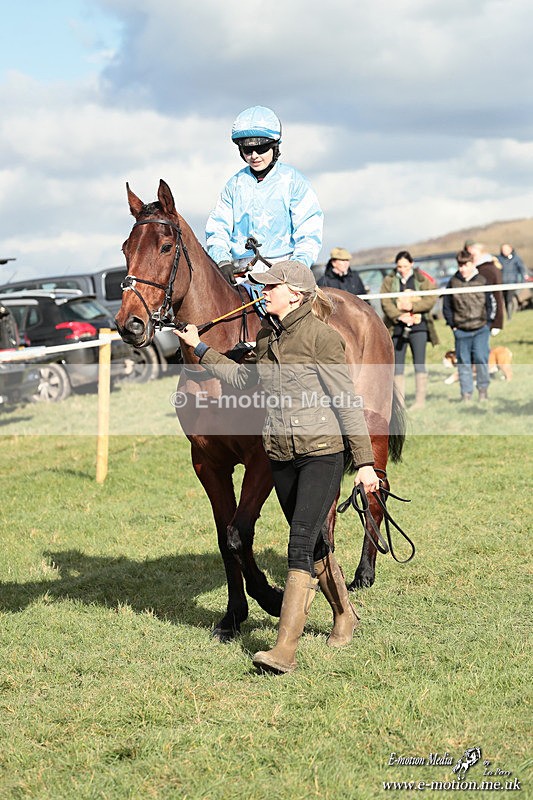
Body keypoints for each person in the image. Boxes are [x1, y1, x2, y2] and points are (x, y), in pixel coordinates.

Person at [175, 260, 379, 675]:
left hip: (321, 452)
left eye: (270, 288)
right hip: (281, 455)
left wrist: (364, 463)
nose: (262, 293)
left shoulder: (323, 339)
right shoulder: (269, 337)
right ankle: (345, 613)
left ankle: (283, 650)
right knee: (314, 546)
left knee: (299, 545)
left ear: (295, 294)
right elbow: (243, 382)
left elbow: (346, 402)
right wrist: (199, 348)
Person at [205, 105, 323, 292]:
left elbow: (309, 231)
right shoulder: (233, 185)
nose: (254, 156)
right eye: (247, 150)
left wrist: (297, 268)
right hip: (241, 276)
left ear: (275, 147)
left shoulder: (294, 181)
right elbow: (217, 227)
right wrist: (221, 260)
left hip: (284, 276)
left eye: (261, 149)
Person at [380, 251, 439, 410]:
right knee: (397, 365)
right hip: (397, 327)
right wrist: (399, 316)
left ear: (412, 264)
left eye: (405, 266)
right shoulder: (389, 280)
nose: (402, 269)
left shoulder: (422, 278)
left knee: (419, 363)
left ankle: (420, 402)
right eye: (399, 266)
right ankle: (399, 403)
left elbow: (431, 298)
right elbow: (385, 302)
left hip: (419, 326)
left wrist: (413, 307)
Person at [443, 249, 496, 402]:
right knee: (464, 363)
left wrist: (488, 324)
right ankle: (466, 395)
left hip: (481, 329)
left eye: (465, 265)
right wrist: (453, 325)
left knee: (481, 359)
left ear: (472, 264)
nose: (462, 269)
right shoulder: (452, 282)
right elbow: (447, 305)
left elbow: (491, 303)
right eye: (460, 266)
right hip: (461, 331)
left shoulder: (482, 280)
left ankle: (483, 392)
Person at [465, 241, 504, 334]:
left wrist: (496, 322)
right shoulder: (484, 268)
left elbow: (494, 296)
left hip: (486, 318)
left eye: (473, 255)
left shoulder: (486, 270)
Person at [497, 243, 526, 320]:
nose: (505, 251)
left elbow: (522, 270)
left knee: (509, 299)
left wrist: (522, 282)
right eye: (503, 249)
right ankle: (503, 316)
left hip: (512, 283)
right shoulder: (498, 258)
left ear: (511, 249)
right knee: (502, 300)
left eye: (506, 249)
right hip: (501, 283)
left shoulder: (516, 258)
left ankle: (509, 316)